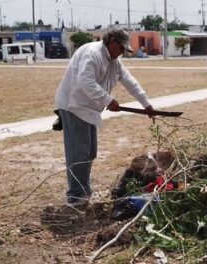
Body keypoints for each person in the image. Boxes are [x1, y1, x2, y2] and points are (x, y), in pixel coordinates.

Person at [55, 29, 154, 207]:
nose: (122, 53)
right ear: (112, 42)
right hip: (74, 106)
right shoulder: (92, 53)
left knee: (89, 152)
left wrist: (146, 104)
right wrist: (108, 100)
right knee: (79, 153)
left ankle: (83, 191)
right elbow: (85, 81)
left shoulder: (115, 61)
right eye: (121, 48)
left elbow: (130, 81)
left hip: (89, 109)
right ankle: (76, 197)